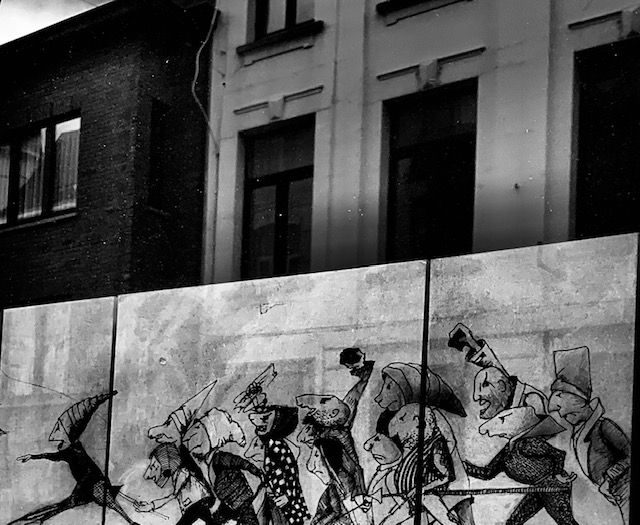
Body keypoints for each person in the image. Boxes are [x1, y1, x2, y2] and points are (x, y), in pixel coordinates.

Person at [9, 392, 140, 525]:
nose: (59, 443)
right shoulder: (70, 451)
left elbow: (91, 476)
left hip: (90, 486)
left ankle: (38, 520)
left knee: (69, 504)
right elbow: (52, 456)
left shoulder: (75, 451)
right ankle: (38, 520)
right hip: (89, 487)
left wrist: (78, 491)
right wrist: (32, 456)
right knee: (66, 505)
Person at [548, 347, 630, 524]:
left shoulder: (604, 426)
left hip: (624, 489)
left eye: (568, 413)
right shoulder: (578, 432)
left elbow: (629, 455)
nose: (564, 417)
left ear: (579, 399)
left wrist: (610, 478)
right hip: (610, 495)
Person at [464, 406, 578, 525]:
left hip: (553, 484)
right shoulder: (507, 452)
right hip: (538, 487)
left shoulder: (528, 443)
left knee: (565, 521)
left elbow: (558, 454)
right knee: (513, 522)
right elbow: (487, 473)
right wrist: (463, 466)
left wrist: (558, 474)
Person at [447, 323, 548, 419]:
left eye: (484, 385)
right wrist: (474, 345)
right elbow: (496, 371)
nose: (476, 397)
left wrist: (474, 344)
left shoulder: (530, 400)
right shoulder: (509, 396)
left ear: (502, 386)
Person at [182, 407, 262, 525]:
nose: (193, 445)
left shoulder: (219, 458)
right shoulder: (204, 466)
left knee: (248, 520)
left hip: (240, 500)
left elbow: (239, 462)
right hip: (227, 504)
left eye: (199, 441)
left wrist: (255, 471)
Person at [380, 404, 457, 525]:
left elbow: (446, 476)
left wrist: (420, 489)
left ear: (417, 422)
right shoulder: (418, 446)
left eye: (403, 419)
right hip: (412, 501)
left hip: (428, 498)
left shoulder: (435, 445)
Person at [248, 404, 310, 525]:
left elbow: (291, 472)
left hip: (285, 500)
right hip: (277, 498)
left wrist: (288, 495)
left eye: (265, 418)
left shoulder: (277, 445)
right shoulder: (270, 445)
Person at [136, 442, 214, 525]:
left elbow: (192, 511)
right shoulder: (180, 480)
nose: (147, 475)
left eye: (154, 467)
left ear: (166, 469)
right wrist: (151, 506)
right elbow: (172, 497)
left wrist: (151, 506)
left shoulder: (185, 477)